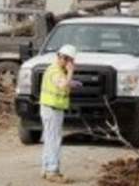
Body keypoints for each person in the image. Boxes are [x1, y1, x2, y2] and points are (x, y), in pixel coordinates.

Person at [39, 44, 79, 183]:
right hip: (52, 109)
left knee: (49, 139)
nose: (71, 63)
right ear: (66, 59)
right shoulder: (56, 71)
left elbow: (63, 84)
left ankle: (46, 169)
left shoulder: (55, 69)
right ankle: (52, 170)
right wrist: (70, 73)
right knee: (54, 140)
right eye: (70, 60)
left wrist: (72, 83)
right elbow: (61, 84)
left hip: (51, 109)